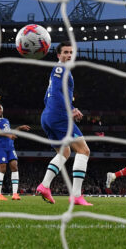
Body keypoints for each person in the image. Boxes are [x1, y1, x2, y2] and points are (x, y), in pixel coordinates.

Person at [35, 41, 92, 206]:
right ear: (59, 55)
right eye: (65, 52)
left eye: (71, 52)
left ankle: (44, 186)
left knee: (64, 152)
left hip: (48, 116)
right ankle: (76, 195)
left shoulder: (56, 71)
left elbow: (47, 96)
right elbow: (58, 91)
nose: (69, 55)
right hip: (59, 117)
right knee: (84, 151)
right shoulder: (61, 68)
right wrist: (71, 109)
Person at [0, 104, 31, 201]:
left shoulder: (6, 120)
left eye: (0, 108)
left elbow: (10, 132)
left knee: (15, 167)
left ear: (2, 110)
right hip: (1, 147)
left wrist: (19, 128)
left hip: (10, 147)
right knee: (2, 169)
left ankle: (15, 194)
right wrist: (9, 136)